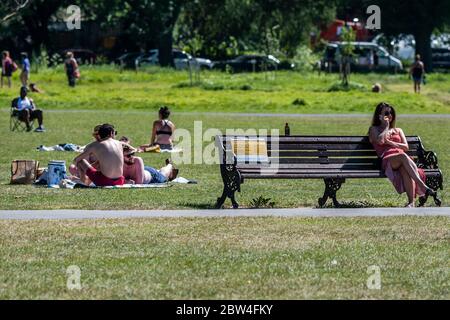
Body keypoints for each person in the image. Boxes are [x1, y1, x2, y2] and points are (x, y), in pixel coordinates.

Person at [368, 102, 437, 207]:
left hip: (402, 159)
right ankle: (422, 186)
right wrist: (386, 127)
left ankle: (411, 203)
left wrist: (391, 142)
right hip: (387, 159)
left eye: (391, 112)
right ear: (379, 115)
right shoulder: (374, 129)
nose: (389, 115)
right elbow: (380, 141)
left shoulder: (398, 130)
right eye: (386, 113)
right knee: (403, 157)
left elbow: (405, 147)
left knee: (405, 170)